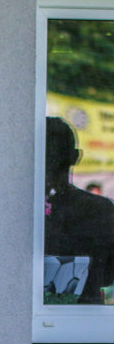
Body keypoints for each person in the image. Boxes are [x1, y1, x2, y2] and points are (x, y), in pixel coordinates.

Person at [45, 117, 114, 304]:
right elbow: (107, 276)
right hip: (84, 314)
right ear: (76, 156)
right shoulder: (101, 209)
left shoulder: (17, 212)